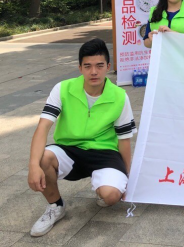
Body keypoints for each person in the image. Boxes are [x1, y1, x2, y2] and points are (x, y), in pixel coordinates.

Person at [27, 39, 137, 237]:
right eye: (87, 66)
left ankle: (102, 185)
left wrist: (126, 176)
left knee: (111, 196)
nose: (93, 72)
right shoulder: (63, 88)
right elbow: (43, 127)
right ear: (80, 68)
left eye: (99, 66)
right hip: (70, 149)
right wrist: (33, 166)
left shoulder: (120, 96)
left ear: (108, 67)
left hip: (105, 153)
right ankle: (56, 206)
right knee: (43, 158)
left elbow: (124, 140)